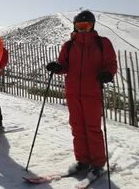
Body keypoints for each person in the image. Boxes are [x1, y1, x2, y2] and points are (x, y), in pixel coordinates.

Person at [46, 10, 117, 177]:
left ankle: (97, 163)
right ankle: (83, 160)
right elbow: (64, 65)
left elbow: (110, 62)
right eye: (79, 26)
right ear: (75, 26)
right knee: (77, 128)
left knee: (92, 128)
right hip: (72, 92)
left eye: (86, 26)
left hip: (92, 91)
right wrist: (57, 67)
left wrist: (108, 73)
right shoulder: (69, 45)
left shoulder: (102, 43)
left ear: (92, 26)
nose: (83, 29)